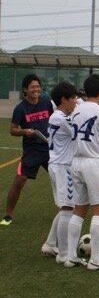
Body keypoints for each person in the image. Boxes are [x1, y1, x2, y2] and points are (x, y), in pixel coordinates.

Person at [64, 74, 99, 271]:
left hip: (76, 162)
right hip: (93, 163)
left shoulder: (76, 111)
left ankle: (70, 256)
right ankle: (95, 260)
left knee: (79, 209)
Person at [1, 74, 54, 226]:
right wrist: (25, 131)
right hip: (32, 151)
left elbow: (54, 120)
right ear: (25, 89)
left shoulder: (46, 103)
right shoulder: (20, 108)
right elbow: (12, 130)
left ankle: (67, 211)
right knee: (20, 181)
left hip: (50, 149)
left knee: (61, 179)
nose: (36, 89)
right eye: (33, 87)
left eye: (38, 86)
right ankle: (8, 215)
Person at [46, 82, 78, 263]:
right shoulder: (61, 118)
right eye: (73, 98)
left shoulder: (57, 116)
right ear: (63, 100)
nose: (75, 101)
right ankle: (64, 253)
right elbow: (78, 130)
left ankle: (51, 243)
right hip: (62, 166)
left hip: (57, 164)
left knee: (65, 207)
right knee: (68, 208)